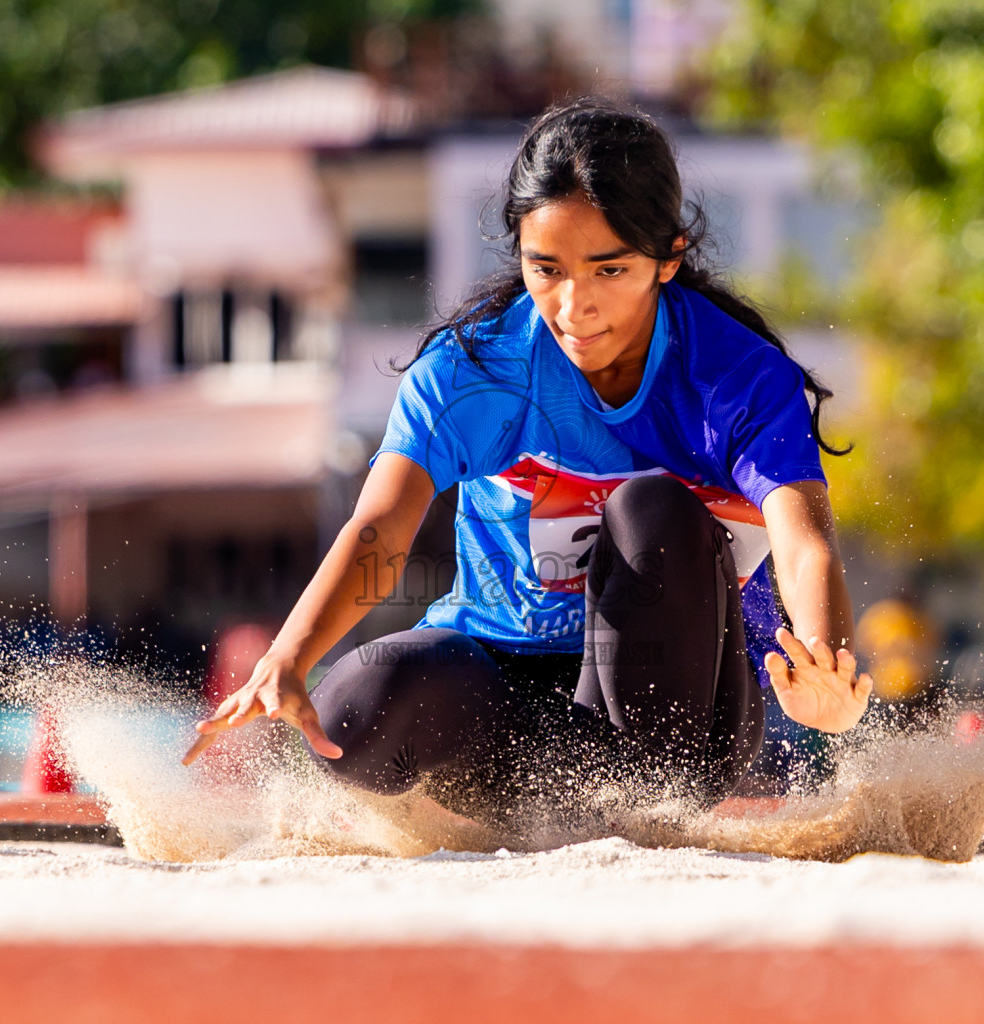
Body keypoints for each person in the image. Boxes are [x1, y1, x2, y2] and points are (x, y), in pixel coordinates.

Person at [186, 100, 872, 834]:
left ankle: (641, 816)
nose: (574, 305)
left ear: (668, 257)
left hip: (683, 717)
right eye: (545, 268)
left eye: (610, 269)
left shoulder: (736, 375)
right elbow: (381, 527)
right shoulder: (475, 371)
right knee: (358, 704)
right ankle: (556, 816)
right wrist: (289, 656)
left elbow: (803, 538)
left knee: (651, 509)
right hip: (510, 696)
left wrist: (827, 661)